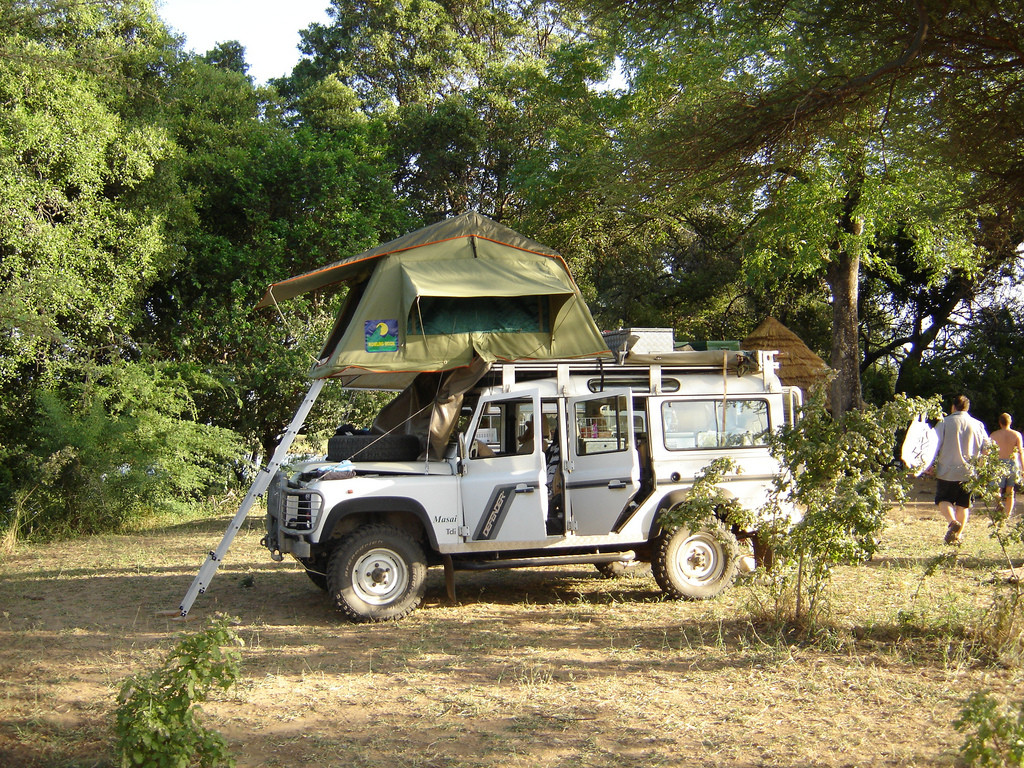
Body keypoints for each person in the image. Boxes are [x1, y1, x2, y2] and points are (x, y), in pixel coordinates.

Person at [927, 395, 990, 544]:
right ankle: (957, 536)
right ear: (967, 408)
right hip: (969, 472)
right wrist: (981, 465)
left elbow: (932, 445)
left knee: (943, 500)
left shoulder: (944, 423)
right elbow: (987, 448)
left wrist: (929, 465)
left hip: (947, 470)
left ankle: (952, 521)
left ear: (953, 407)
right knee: (963, 505)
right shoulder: (978, 425)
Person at [990, 413, 1024, 517]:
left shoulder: (994, 435)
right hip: (1012, 463)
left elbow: (989, 451)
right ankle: (1008, 514)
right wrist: (1023, 468)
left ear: (1000, 422)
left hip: (998, 463)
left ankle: (999, 505)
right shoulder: (1016, 435)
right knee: (1010, 490)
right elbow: (1021, 452)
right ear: (1010, 422)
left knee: (997, 489)